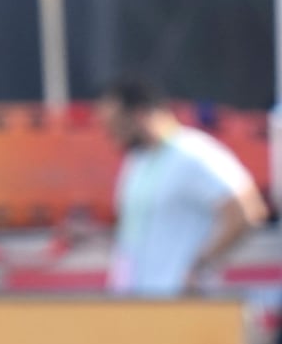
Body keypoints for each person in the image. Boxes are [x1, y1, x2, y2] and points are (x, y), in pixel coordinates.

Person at [100, 76, 267, 297]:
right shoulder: (138, 161)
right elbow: (144, 230)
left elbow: (247, 211)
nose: (112, 137)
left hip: (180, 303)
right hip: (136, 303)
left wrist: (198, 267)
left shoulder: (194, 153)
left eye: (117, 126)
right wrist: (94, 235)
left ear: (139, 115)